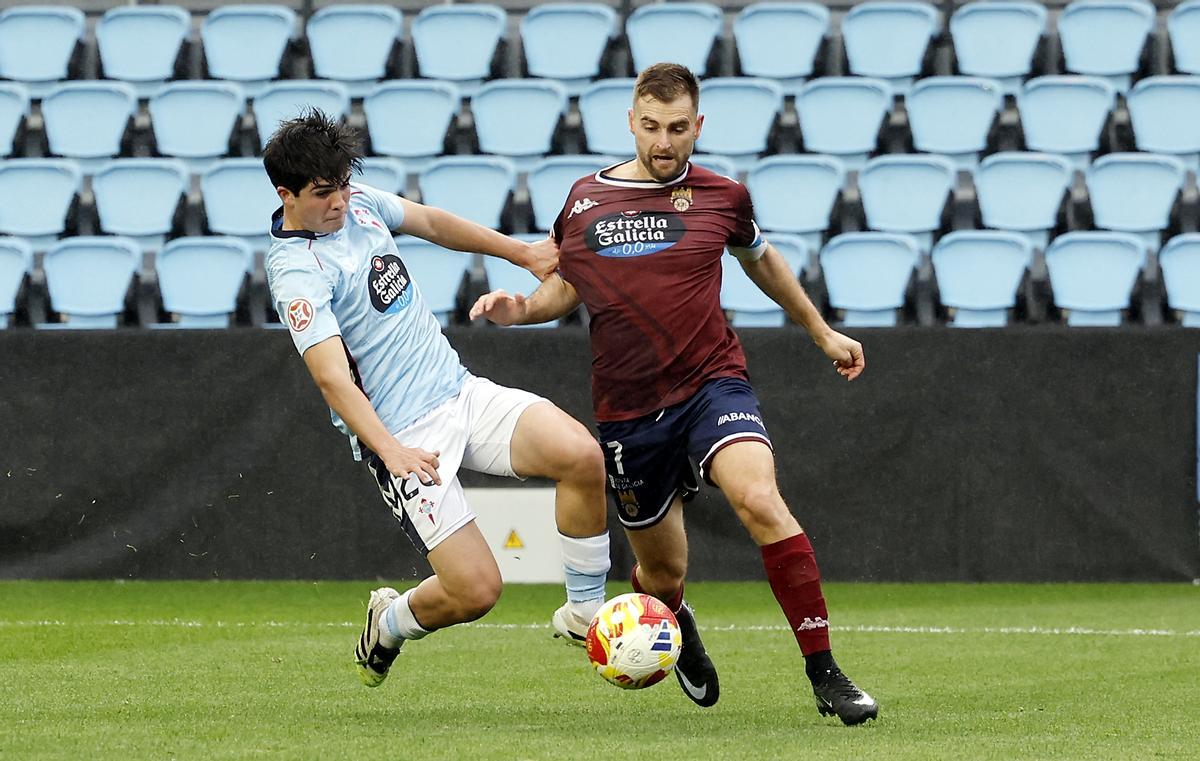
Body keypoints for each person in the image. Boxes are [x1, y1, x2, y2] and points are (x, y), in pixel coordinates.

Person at [470, 64, 878, 725]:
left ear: (699, 126)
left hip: (712, 383)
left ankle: (824, 671)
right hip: (628, 409)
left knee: (759, 499)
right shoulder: (584, 201)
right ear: (631, 122)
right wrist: (521, 310)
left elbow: (761, 259)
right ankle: (677, 618)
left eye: (679, 128)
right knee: (660, 576)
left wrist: (821, 330)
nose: (665, 143)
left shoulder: (724, 196)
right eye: (653, 127)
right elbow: (567, 285)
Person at [261, 109, 610, 689]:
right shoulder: (297, 271)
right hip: (403, 434)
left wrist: (521, 254)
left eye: (344, 185)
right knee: (477, 592)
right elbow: (331, 379)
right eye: (324, 193)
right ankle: (390, 622)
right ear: (286, 195)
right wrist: (391, 451)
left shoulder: (358, 203)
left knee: (581, 456)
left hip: (459, 390)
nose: (340, 202)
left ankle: (584, 613)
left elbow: (429, 221)